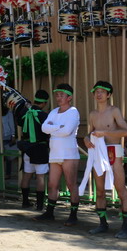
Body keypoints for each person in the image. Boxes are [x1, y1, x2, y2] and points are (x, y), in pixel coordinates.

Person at [82, 81, 127, 239]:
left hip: (114, 152)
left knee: (120, 189)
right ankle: (102, 223)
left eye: (102, 91)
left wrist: (104, 132)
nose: (99, 94)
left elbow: (125, 132)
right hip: (98, 152)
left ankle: (126, 227)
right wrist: (86, 140)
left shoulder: (114, 111)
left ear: (109, 95)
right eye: (96, 91)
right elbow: (89, 133)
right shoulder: (92, 114)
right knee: (100, 190)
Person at [36, 84, 81, 225]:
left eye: (62, 95)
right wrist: (58, 128)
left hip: (69, 154)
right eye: (57, 95)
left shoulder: (73, 112)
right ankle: (50, 213)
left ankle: (73, 215)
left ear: (69, 97)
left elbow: (67, 131)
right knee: (52, 184)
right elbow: (44, 128)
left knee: (71, 184)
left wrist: (53, 128)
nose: (58, 97)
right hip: (55, 153)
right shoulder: (54, 111)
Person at [15, 90, 50, 211]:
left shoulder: (25, 113)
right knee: (40, 177)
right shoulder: (44, 115)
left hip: (27, 148)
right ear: (45, 103)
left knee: (27, 175)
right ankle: (40, 205)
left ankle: (25, 202)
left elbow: (19, 122)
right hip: (40, 148)